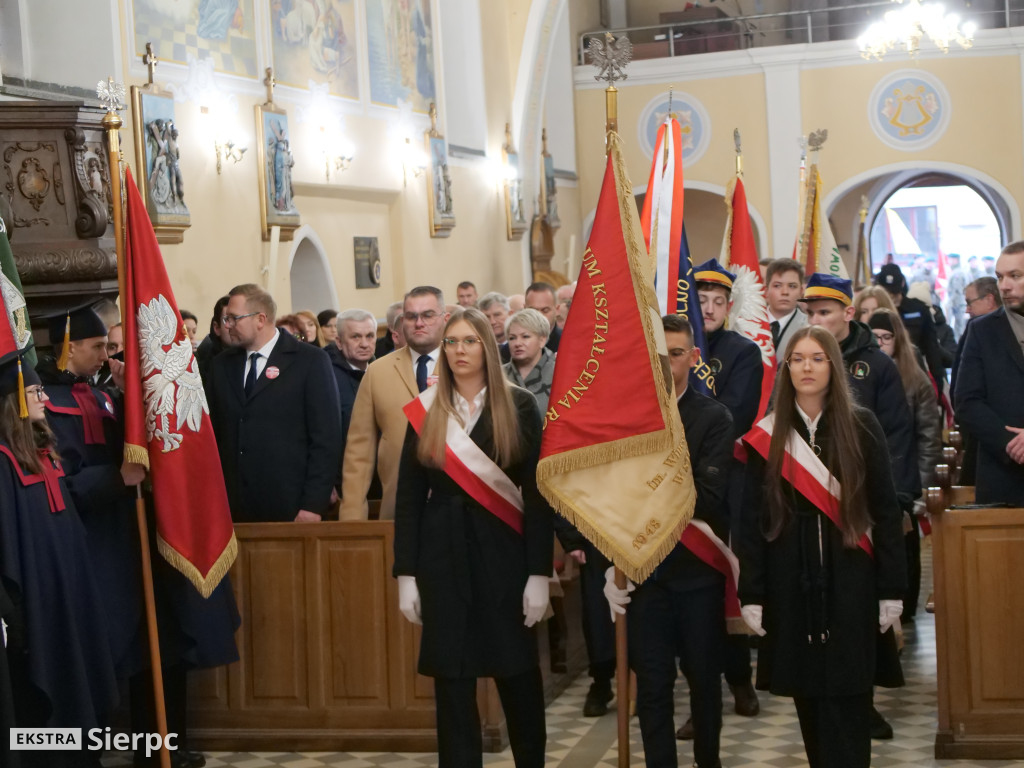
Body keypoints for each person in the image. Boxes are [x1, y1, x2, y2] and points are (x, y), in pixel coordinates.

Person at [739, 325, 907, 768]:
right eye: (797, 359)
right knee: (809, 701)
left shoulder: (861, 424)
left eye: (816, 358)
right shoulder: (769, 434)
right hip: (790, 583)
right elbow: (752, 519)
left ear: (834, 365)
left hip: (852, 578)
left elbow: (886, 513)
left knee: (850, 700)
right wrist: (752, 594)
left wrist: (892, 589)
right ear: (786, 368)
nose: (807, 367)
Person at [394, 308, 552, 768]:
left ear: (488, 346)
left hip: (503, 558)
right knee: (452, 683)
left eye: (469, 341)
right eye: (451, 342)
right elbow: (408, 497)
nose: (459, 351)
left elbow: (538, 495)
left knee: (519, 678)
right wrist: (406, 572)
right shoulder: (426, 409)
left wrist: (538, 573)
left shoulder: (519, 405)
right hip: (441, 561)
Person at [604, 314, 733, 768]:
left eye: (676, 354)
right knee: (653, 687)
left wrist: (649, 490)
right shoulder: (628, 420)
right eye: (658, 356)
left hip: (696, 575)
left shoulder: (713, 417)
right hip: (645, 576)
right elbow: (613, 496)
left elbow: (709, 497)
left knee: (703, 682)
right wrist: (612, 560)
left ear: (693, 358)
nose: (667, 364)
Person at [0, 349, 120, 765]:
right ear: (12, 400)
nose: (42, 398)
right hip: (35, 600)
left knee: (77, 680)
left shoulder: (43, 453)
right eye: (33, 391)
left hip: (67, 591)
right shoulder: (2, 462)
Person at [207, 284, 342, 523]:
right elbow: (215, 434)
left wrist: (313, 503)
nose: (227, 325)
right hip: (235, 510)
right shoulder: (221, 365)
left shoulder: (309, 361)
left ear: (260, 319)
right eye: (226, 319)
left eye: (233, 319)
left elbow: (326, 439)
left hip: (291, 506)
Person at [693, 257, 762, 719]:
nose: (711, 309)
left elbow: (736, 412)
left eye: (719, 302)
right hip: (679, 482)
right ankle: (701, 700)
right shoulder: (675, 346)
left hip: (729, 483)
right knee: (694, 590)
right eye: (702, 302)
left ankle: (740, 681)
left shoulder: (742, 352)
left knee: (727, 581)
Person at [341, 286, 449, 521]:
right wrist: (352, 516)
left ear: (445, 319)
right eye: (411, 316)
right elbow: (359, 450)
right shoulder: (378, 371)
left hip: (458, 508)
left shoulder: (462, 365)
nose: (419, 323)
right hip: (398, 509)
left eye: (428, 315)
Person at [868, 308, 941, 619]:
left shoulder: (914, 379)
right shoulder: (864, 372)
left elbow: (928, 436)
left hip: (906, 471)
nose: (881, 343)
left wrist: (922, 484)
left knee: (906, 540)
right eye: (875, 337)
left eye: (887, 337)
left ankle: (906, 605)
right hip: (875, 469)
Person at [954, 242, 1024, 506]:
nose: (1004, 285)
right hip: (1003, 477)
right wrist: (1011, 444)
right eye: (1000, 277)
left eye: (1015, 276)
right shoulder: (982, 332)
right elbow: (967, 402)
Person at [874, 264, 946, 387]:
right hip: (881, 375)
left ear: (902, 284)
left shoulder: (918, 309)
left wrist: (938, 382)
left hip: (913, 373)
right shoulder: (874, 313)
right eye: (886, 292)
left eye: (894, 292)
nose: (891, 296)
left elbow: (931, 348)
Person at [331, 308, 377, 445]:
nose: (364, 344)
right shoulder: (327, 378)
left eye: (369, 336)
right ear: (339, 342)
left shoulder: (383, 371)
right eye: (355, 337)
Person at [502, 308, 555, 415]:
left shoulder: (560, 372)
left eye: (525, 336)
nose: (517, 343)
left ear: (542, 340)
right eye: (512, 338)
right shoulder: (498, 374)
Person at [765, 258, 808, 361]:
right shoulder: (750, 324)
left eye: (792, 286)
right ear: (766, 291)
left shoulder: (809, 327)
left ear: (801, 291)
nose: (785, 292)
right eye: (777, 286)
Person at [195, 295, 232, 384]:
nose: (232, 325)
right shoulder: (203, 367)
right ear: (217, 328)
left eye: (238, 318)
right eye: (227, 319)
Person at [525, 281, 561, 352]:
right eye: (533, 310)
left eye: (545, 310)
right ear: (524, 309)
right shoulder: (512, 347)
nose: (539, 316)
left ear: (557, 310)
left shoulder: (568, 343)